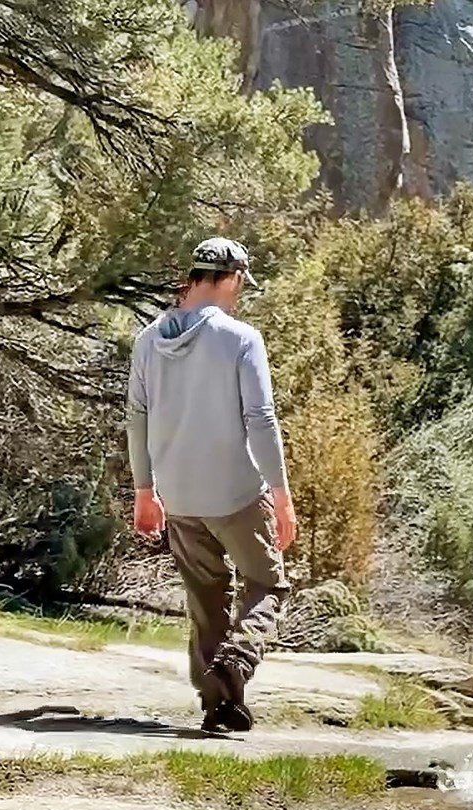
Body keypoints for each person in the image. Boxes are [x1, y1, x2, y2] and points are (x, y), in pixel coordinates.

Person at [125, 237, 297, 734]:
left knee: (206, 597)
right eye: (241, 283)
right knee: (268, 585)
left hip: (177, 494)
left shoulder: (146, 340)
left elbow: (137, 418)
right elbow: (261, 420)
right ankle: (237, 661)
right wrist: (281, 494)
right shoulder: (242, 339)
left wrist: (144, 490)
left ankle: (218, 705)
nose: (240, 294)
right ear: (231, 278)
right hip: (237, 493)